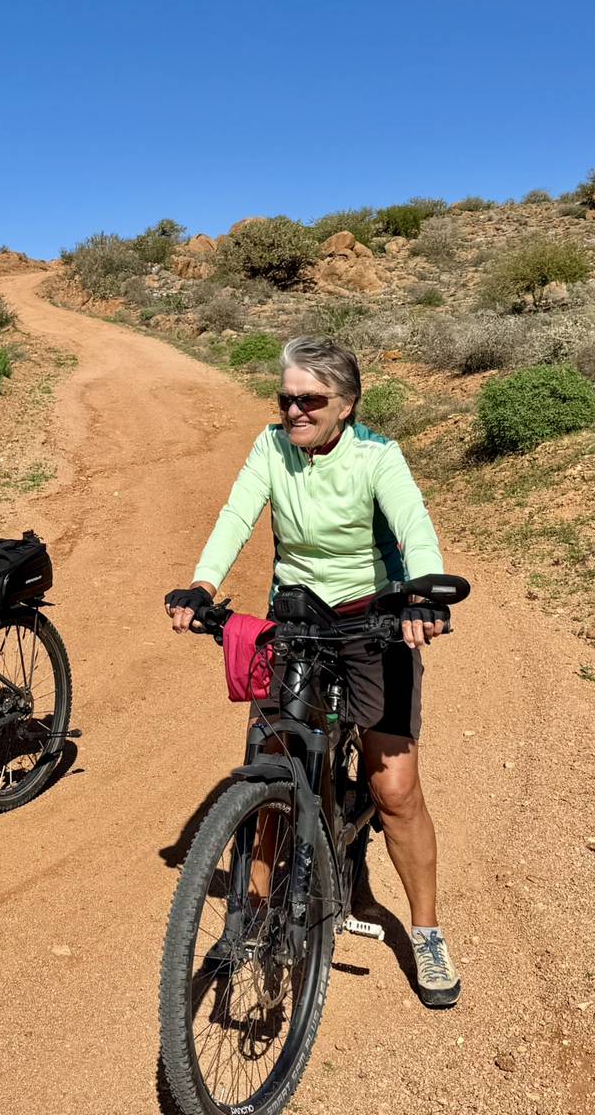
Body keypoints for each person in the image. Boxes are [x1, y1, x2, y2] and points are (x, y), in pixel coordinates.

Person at [163, 335, 461, 1008]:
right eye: (287, 398)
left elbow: (413, 526)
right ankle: (253, 915)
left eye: (311, 401)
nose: (295, 411)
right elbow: (237, 515)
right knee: (274, 762)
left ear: (346, 405)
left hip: (374, 623)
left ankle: (427, 931)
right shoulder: (270, 448)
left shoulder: (377, 455)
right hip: (297, 620)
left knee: (394, 790)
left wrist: (421, 595)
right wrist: (203, 585)